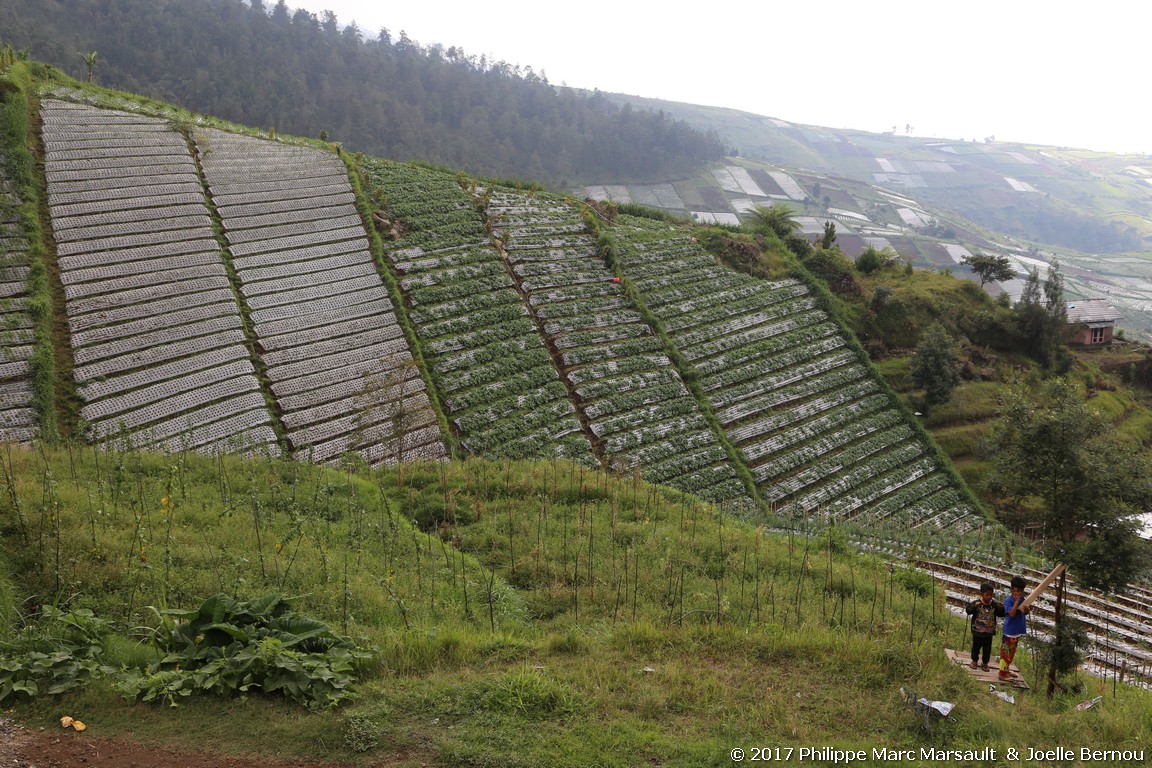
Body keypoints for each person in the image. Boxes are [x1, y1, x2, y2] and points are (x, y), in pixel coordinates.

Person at [965, 582, 1004, 671]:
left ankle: (985, 663)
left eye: (991, 595)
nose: (989, 597)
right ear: (982, 594)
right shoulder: (977, 603)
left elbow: (1001, 614)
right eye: (987, 595)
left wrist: (1002, 608)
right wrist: (974, 606)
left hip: (988, 633)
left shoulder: (994, 605)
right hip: (977, 632)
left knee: (987, 650)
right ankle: (974, 661)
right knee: (976, 647)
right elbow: (968, 611)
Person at [999, 576, 1030, 680]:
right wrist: (1016, 602)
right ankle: (1002, 674)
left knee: (1011, 653)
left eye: (1022, 591)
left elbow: (1024, 613)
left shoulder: (1023, 599)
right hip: (1009, 632)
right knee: (1005, 653)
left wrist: (1026, 610)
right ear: (1012, 589)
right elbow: (1012, 614)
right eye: (1017, 590)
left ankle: (1006, 669)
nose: (1019, 593)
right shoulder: (1009, 600)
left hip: (1017, 631)